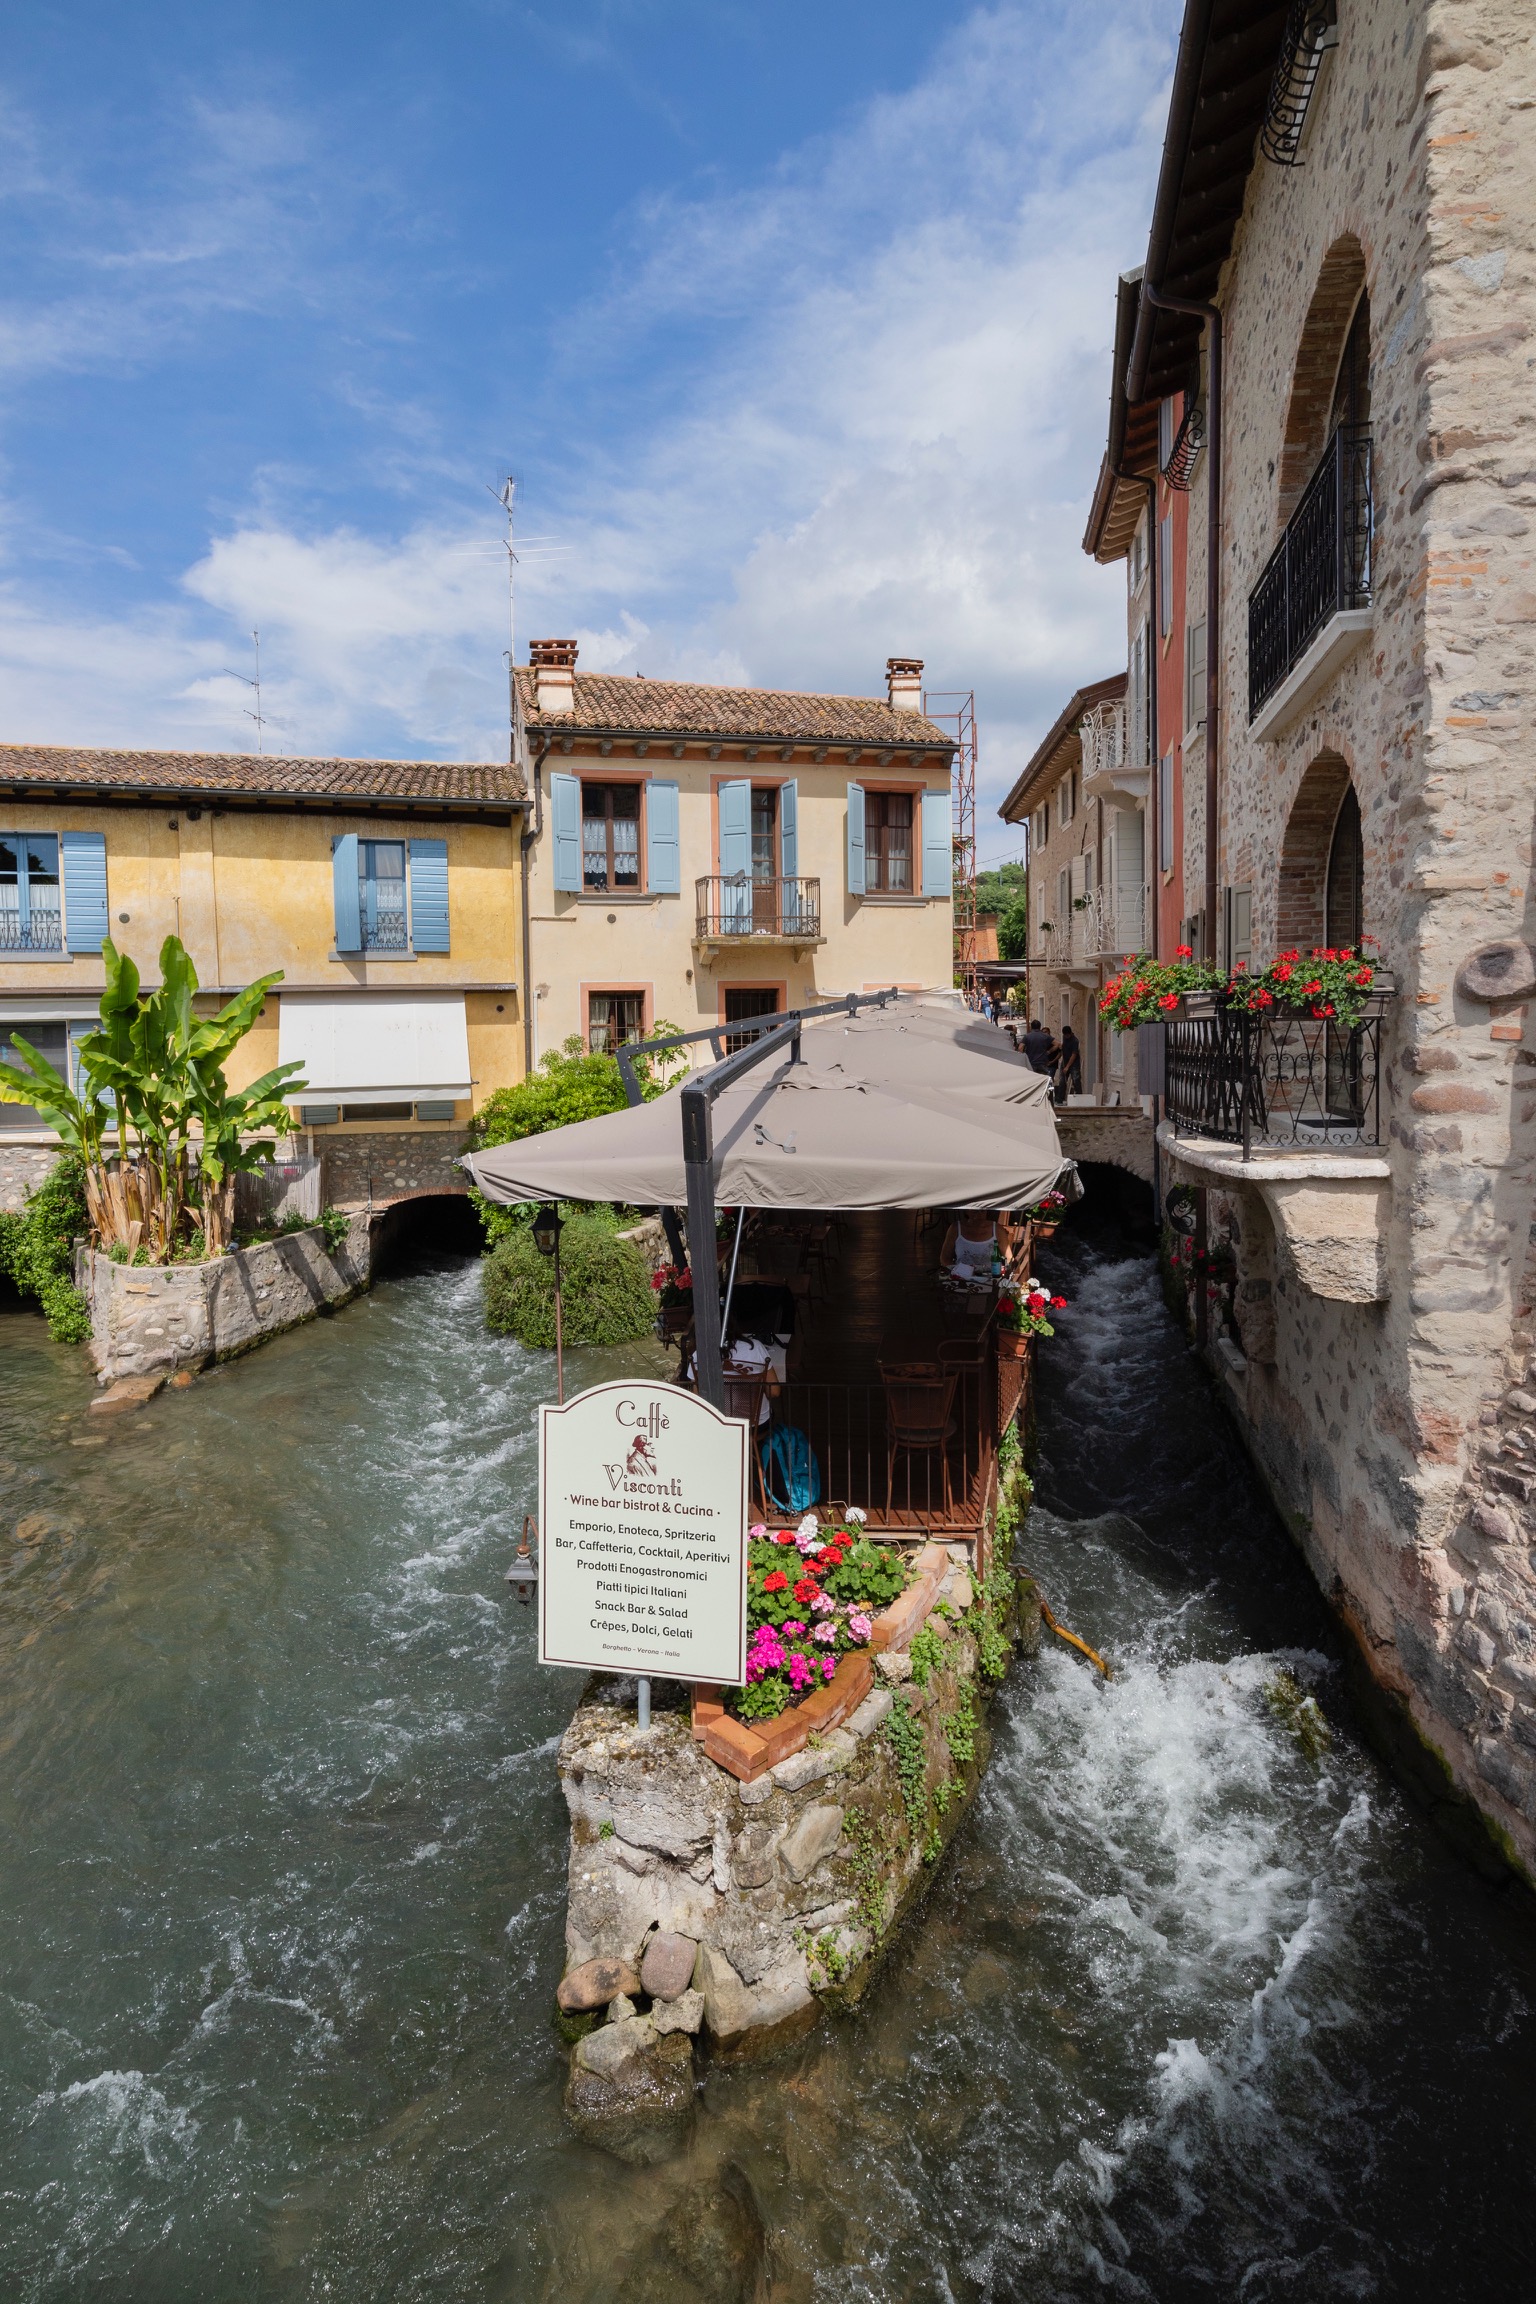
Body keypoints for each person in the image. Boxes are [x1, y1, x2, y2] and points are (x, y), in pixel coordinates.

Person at [940, 1210, 1010, 1282]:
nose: (978, 1215)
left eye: (982, 1211)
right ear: (966, 1211)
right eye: (974, 1212)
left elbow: (1009, 1258)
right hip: (961, 1279)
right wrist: (957, 1270)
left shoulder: (997, 1229)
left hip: (990, 1280)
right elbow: (945, 1258)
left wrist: (1000, 1274)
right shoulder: (955, 1228)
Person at [1056, 1023, 1083, 1099]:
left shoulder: (1075, 1041)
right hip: (1065, 1061)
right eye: (1065, 1035)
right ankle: (1060, 1098)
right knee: (1062, 1081)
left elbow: (1074, 1055)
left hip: (1074, 1063)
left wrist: (1067, 1067)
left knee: (1076, 1080)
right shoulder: (1065, 1038)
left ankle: (1079, 1098)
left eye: (1067, 1035)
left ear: (1070, 1033)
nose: (1066, 1037)